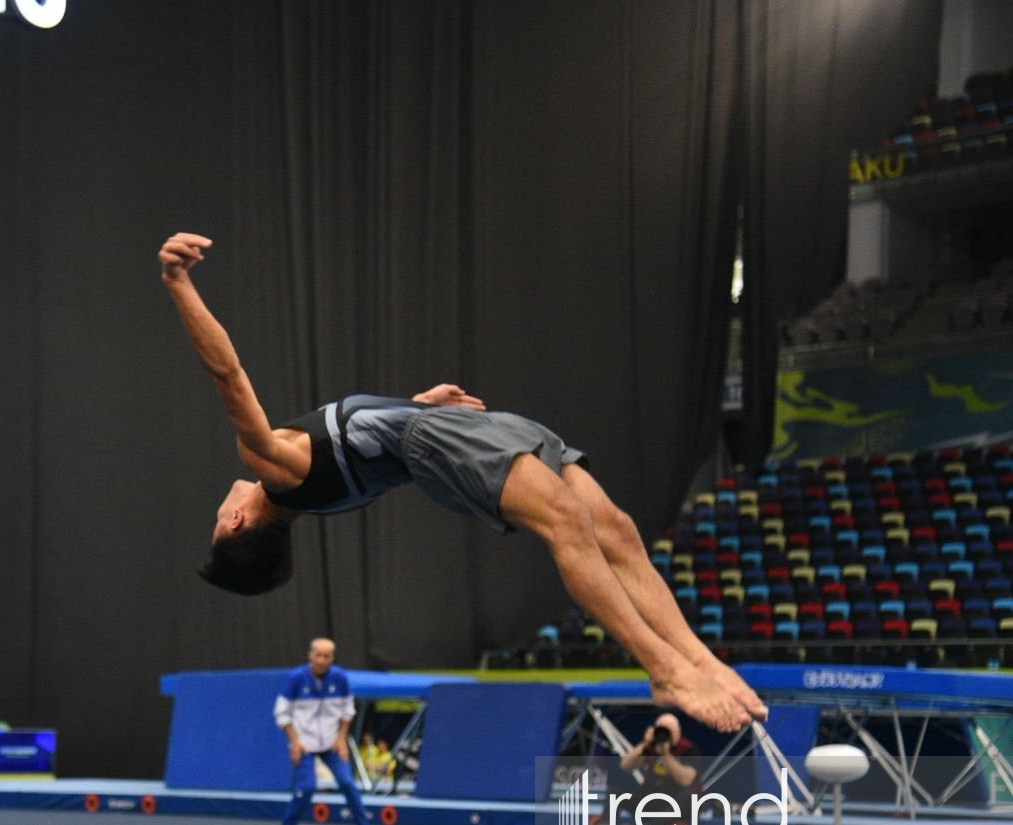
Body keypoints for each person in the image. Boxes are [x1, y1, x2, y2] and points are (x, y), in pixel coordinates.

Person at [158, 231, 768, 734]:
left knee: (616, 530)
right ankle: (662, 665)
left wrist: (418, 405)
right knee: (569, 526)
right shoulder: (275, 470)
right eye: (218, 523)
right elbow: (228, 375)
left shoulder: (321, 499)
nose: (220, 508)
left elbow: (379, 446)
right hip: (442, 439)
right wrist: (180, 284)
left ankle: (700, 658)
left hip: (441, 432)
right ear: (237, 521)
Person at [270, 637, 380, 825]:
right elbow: (281, 713)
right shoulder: (296, 679)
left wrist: (341, 739)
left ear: (332, 658)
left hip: (331, 743)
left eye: (326, 656)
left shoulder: (339, 678)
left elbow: (348, 710)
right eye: (318, 655)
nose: (321, 660)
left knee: (348, 783)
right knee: (307, 787)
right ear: (310, 655)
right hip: (304, 743)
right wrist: (295, 742)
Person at [616, 712, 701, 825]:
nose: (665, 736)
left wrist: (666, 755)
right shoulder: (650, 747)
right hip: (650, 800)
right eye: (662, 731)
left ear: (678, 731)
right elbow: (626, 766)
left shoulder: (688, 749)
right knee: (616, 793)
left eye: (669, 732)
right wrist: (644, 744)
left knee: (691, 797)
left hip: (674, 804)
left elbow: (686, 780)